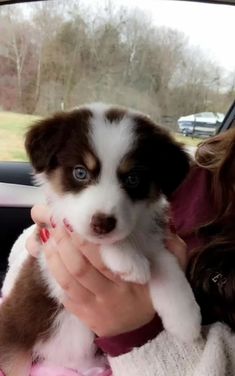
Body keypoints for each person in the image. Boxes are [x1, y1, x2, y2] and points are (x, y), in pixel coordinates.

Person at [4, 128, 235, 376]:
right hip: (44, 335)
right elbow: (44, 238)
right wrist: (48, 245)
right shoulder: (205, 167)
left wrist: (140, 336)